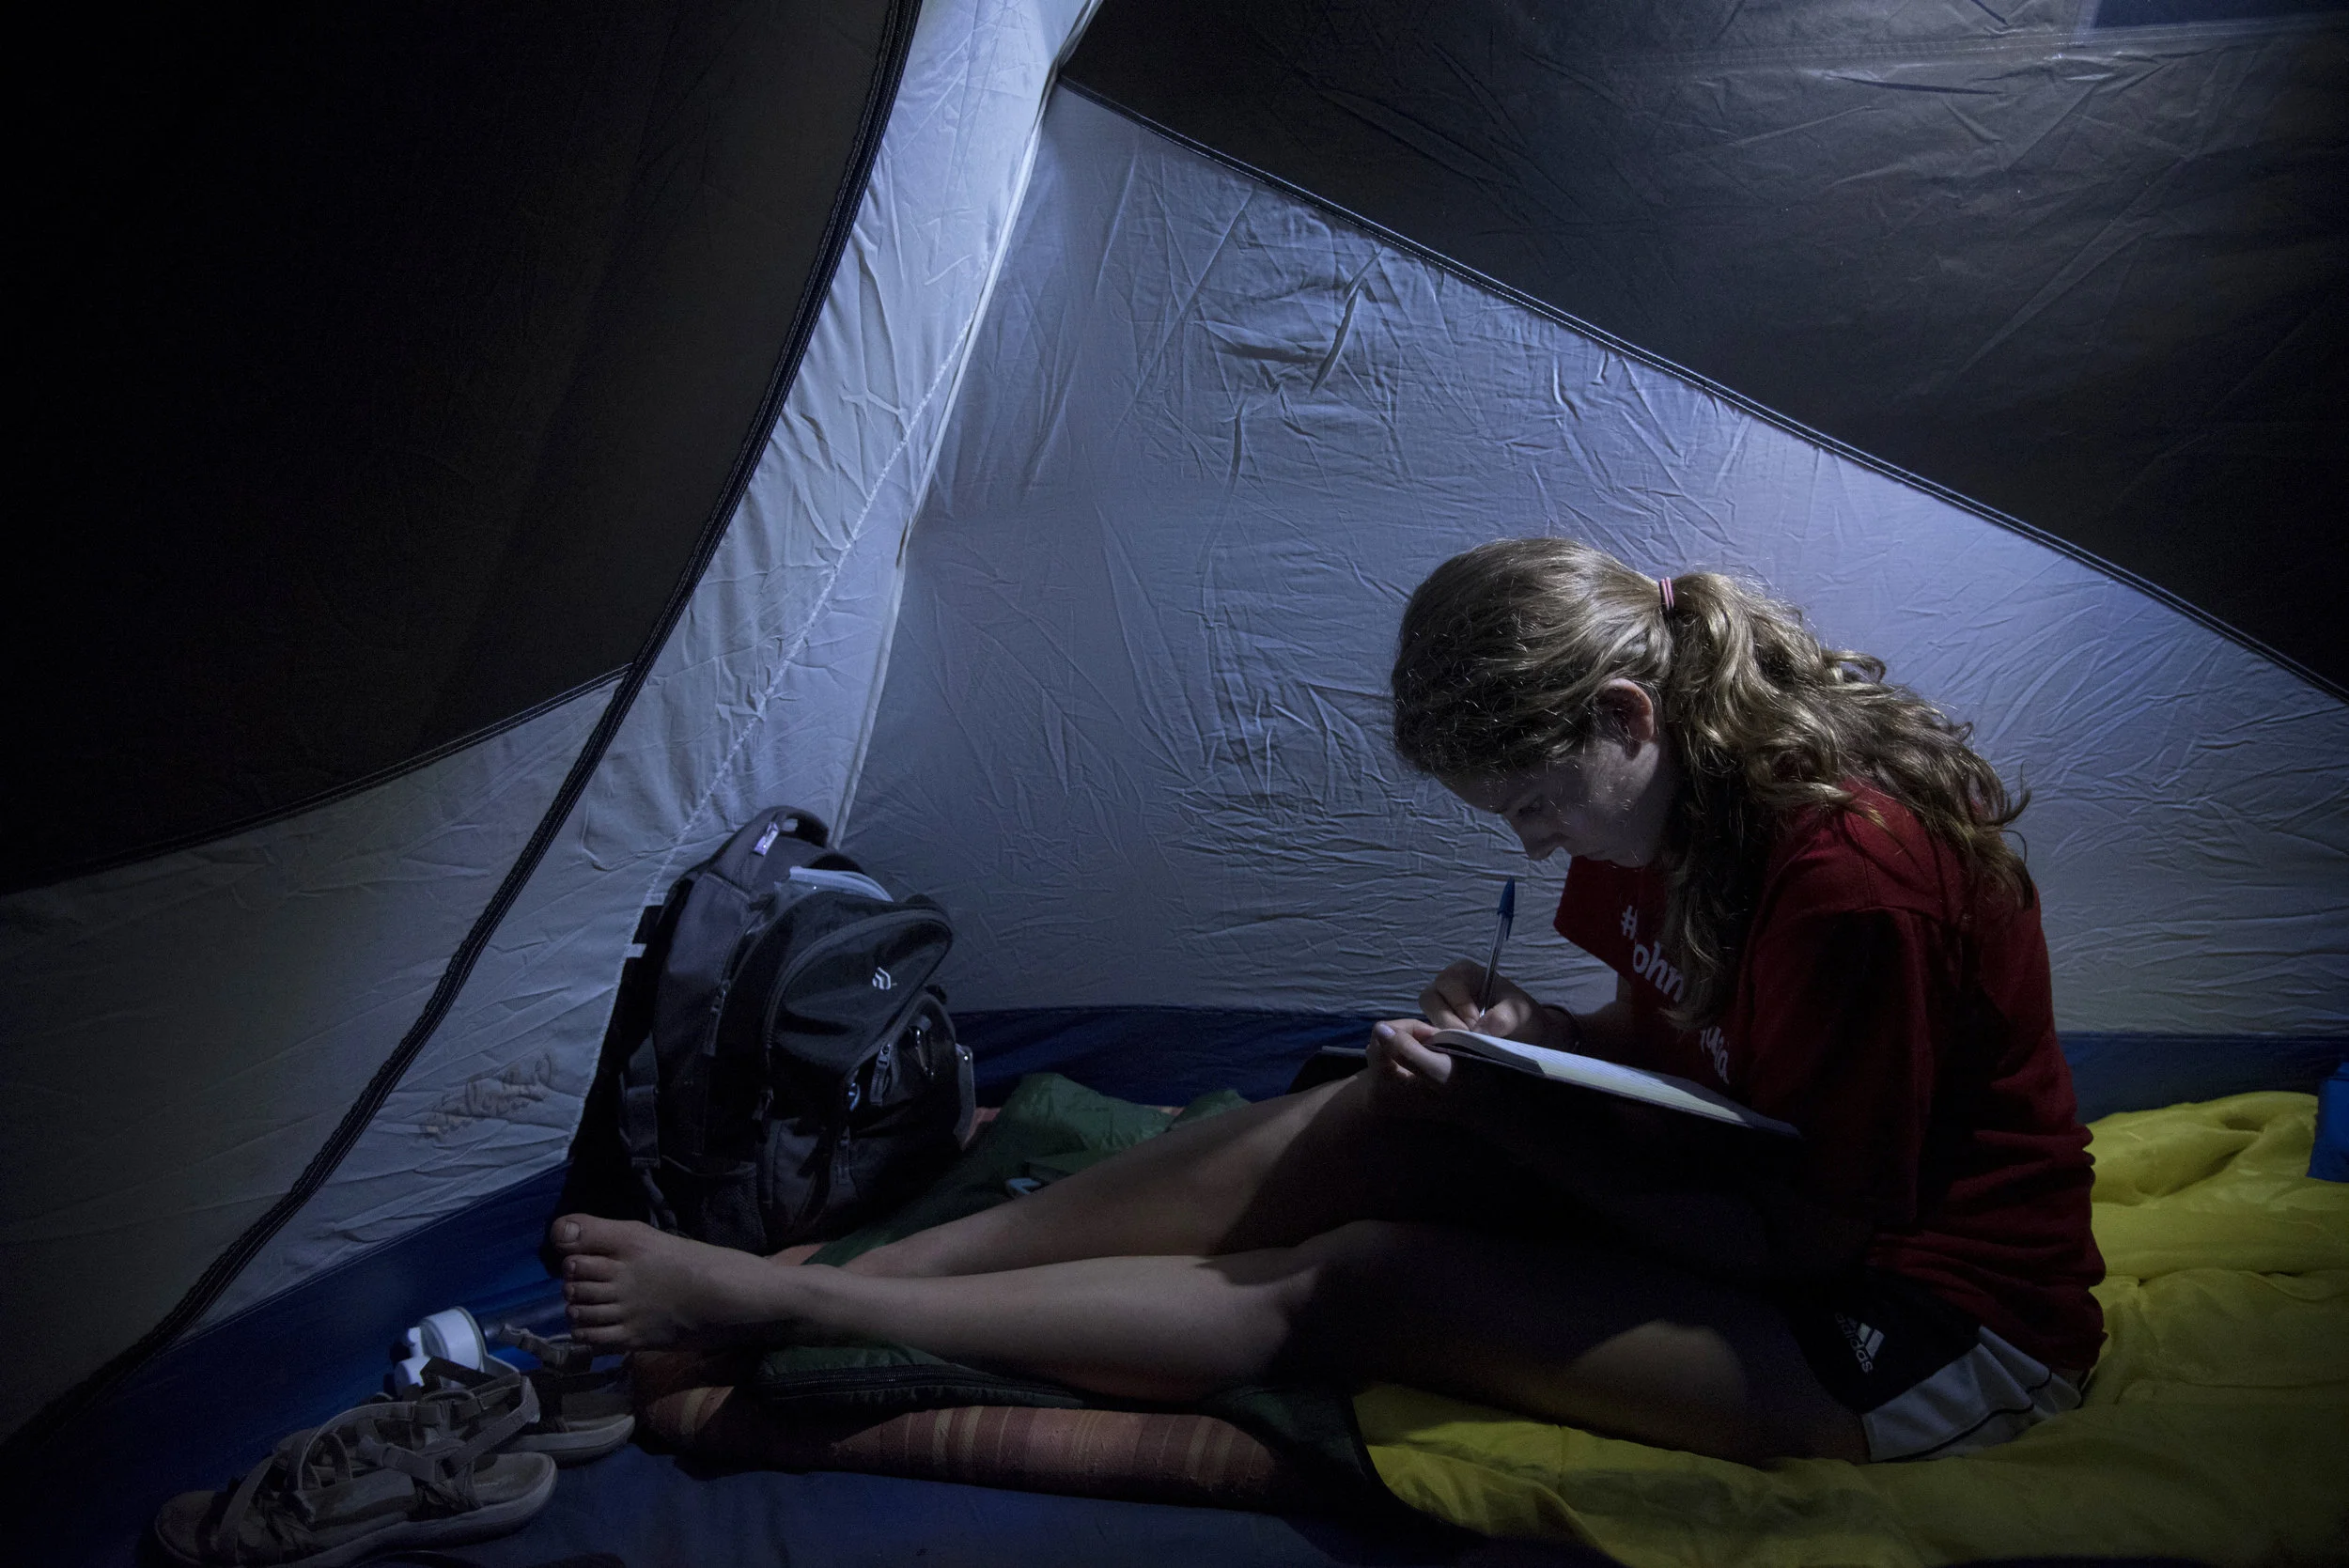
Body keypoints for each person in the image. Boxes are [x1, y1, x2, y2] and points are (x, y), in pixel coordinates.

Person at [551, 537, 2103, 1466]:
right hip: (1781, 1207)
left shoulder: (1846, 877)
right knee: (1382, 1108)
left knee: (1365, 1276)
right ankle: (924, 1259)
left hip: (1920, 1320)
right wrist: (1538, 1045)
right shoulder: (1676, 787)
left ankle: (817, 1302)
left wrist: (1526, 1128)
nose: (1529, 842)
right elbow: (1687, 1048)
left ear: (1627, 718)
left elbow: (1814, 1236)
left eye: (1537, 802)